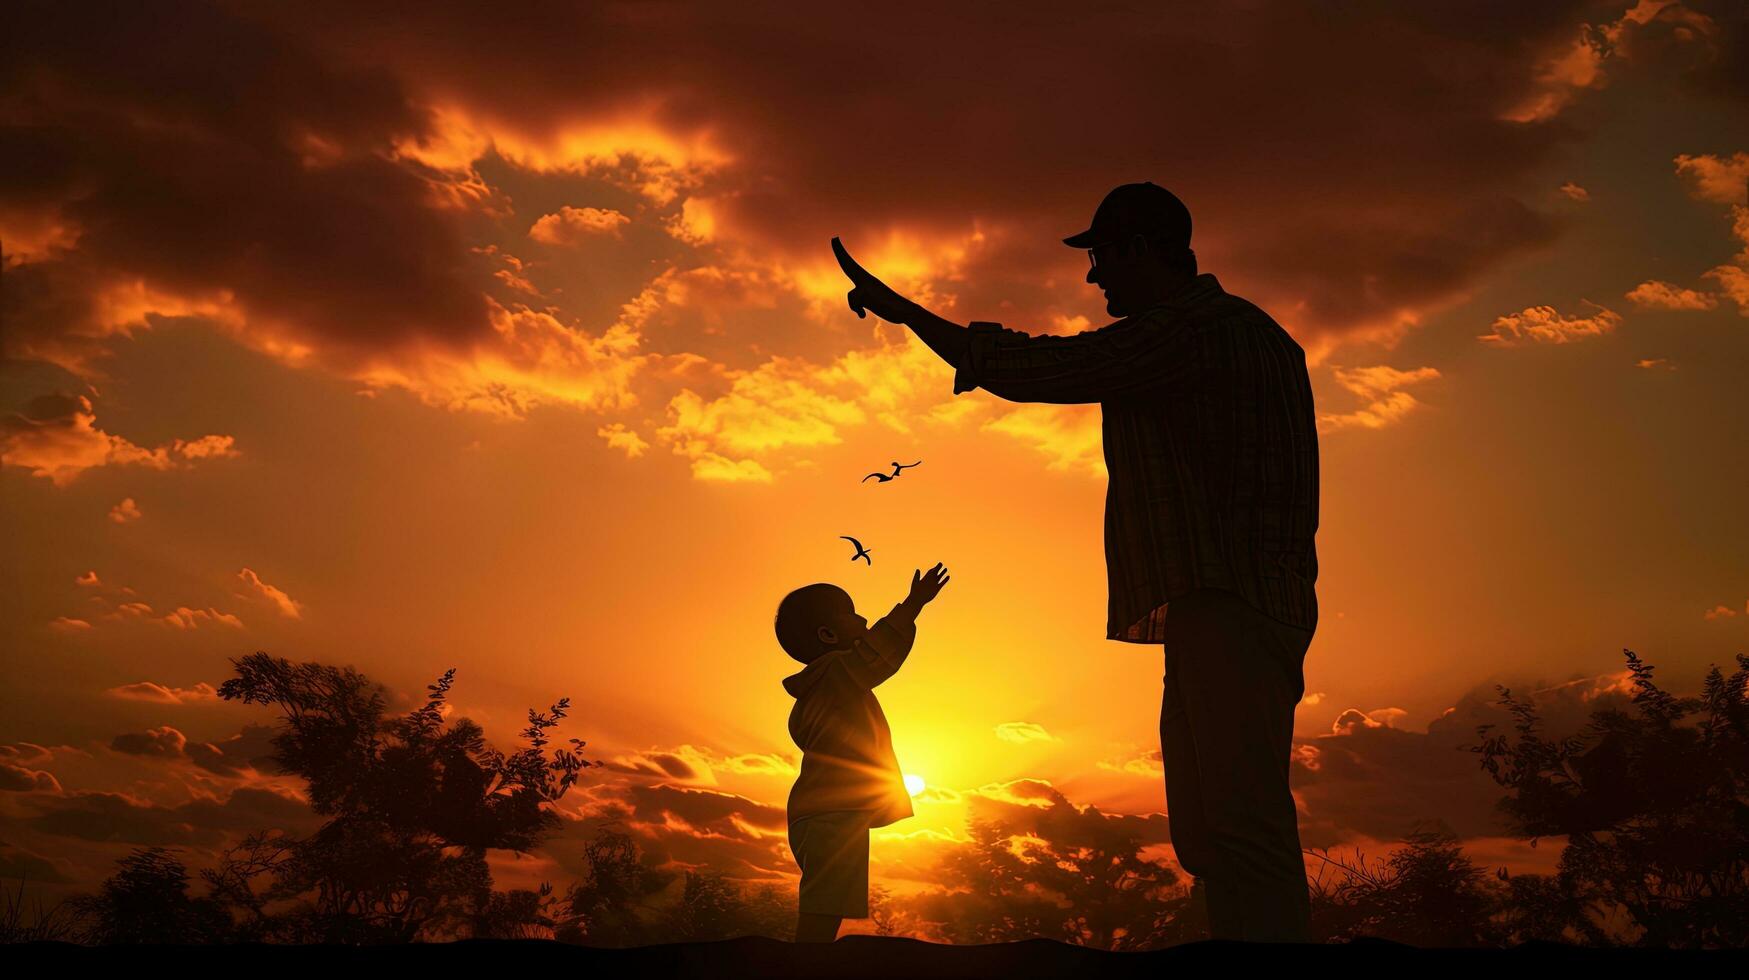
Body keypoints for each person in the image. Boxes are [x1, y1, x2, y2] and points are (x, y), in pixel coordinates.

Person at [831, 182, 1319, 942]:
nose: (1093, 278)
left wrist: (908, 315)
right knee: (1215, 826)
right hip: (1229, 604)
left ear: (1137, 249)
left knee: (1236, 822)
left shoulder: (1193, 330)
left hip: (1231, 604)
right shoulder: (1242, 332)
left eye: (1099, 257)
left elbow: (1042, 371)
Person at [775, 563, 950, 942]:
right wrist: (913, 604)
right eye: (853, 614)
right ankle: (806, 965)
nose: (864, 619)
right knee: (826, 901)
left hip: (819, 812)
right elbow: (878, 652)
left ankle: (810, 957)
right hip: (831, 812)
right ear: (828, 634)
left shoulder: (817, 692)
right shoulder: (839, 674)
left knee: (829, 897)